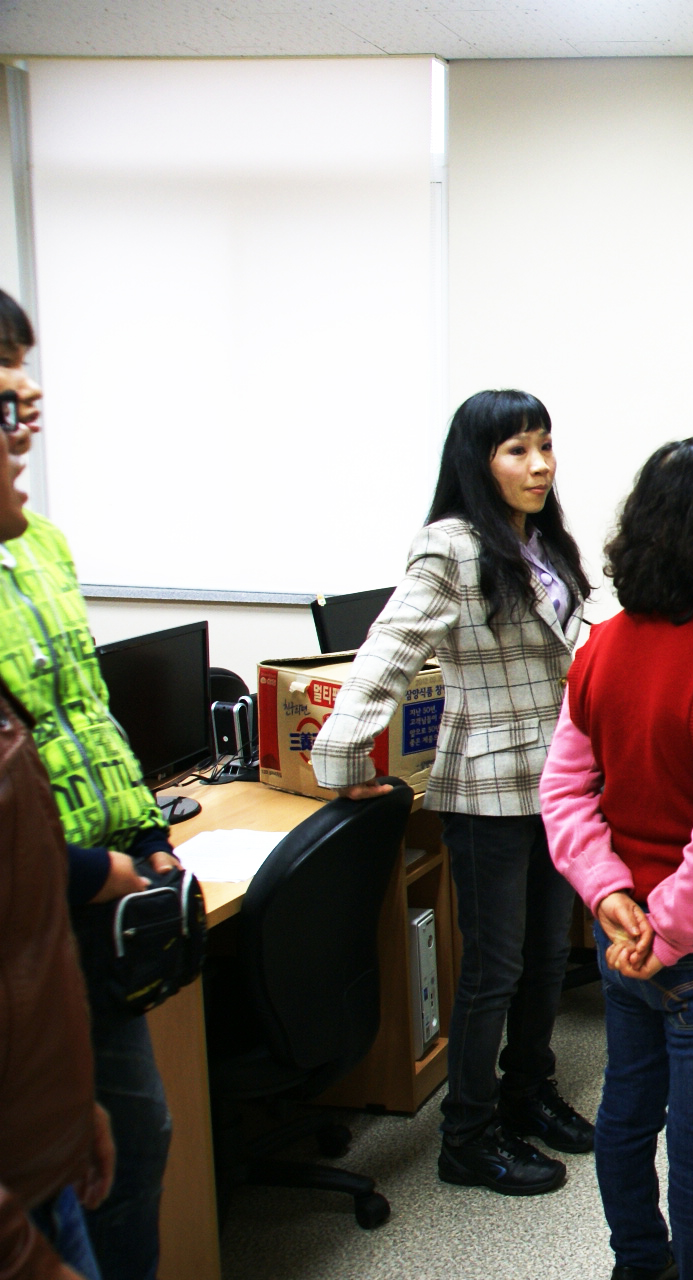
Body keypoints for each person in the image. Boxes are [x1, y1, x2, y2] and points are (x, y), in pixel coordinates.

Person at [311, 389, 595, 1196]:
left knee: (547, 956)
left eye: (545, 445)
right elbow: (388, 652)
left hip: (557, 780)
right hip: (486, 786)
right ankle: (467, 1135)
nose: (539, 465)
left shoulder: (540, 539)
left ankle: (527, 1091)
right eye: (517, 449)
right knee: (494, 968)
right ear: (478, 460)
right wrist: (343, 756)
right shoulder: (451, 546)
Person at [544, 437, 693, 1280]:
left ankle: (640, 1266)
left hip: (623, 936)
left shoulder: (599, 649)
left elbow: (564, 793)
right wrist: (670, 933)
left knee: (626, 1115)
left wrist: (609, 896)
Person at [0, 291, 180, 1280]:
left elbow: (88, 710)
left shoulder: (41, 541)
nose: (29, 404)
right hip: (46, 890)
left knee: (123, 1139)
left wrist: (147, 834)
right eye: (6, 383)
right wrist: (87, 869)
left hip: (83, 898)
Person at [0, 415, 117, 1280]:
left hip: (41, 1122)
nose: (25, 430)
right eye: (6, 411)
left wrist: (74, 1104)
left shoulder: (40, 549)